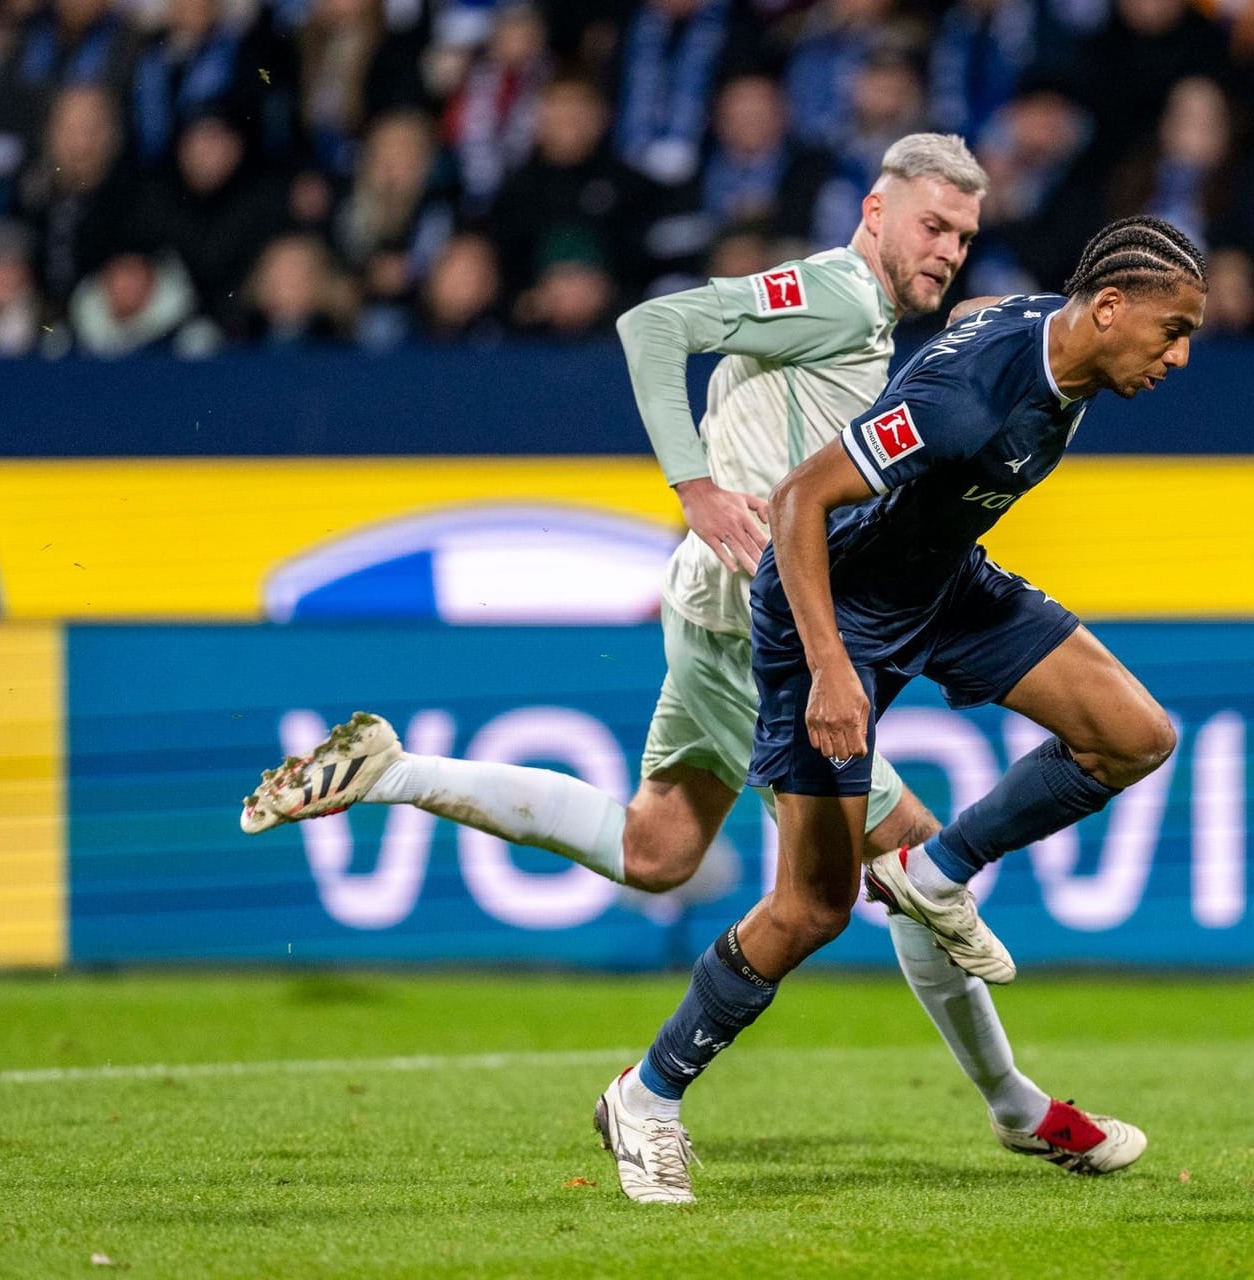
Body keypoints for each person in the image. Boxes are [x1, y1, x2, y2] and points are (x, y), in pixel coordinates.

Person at [237, 134, 1147, 1202]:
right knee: (898, 858)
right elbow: (656, 325)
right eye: (931, 226)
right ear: (874, 209)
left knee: (657, 845)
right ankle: (1009, 1106)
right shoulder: (838, 294)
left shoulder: (875, 314)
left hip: (717, 614)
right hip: (747, 629)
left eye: (963, 236)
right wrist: (695, 484)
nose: (946, 251)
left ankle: (392, 770)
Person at [595, 213, 1206, 1204]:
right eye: (1171, 330)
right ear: (1108, 308)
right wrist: (833, 672)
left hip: (944, 585)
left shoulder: (1053, 338)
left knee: (1135, 733)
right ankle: (648, 1093)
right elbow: (798, 499)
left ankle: (940, 868)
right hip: (827, 609)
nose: (1179, 356)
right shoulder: (964, 400)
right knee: (813, 907)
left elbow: (978, 308)